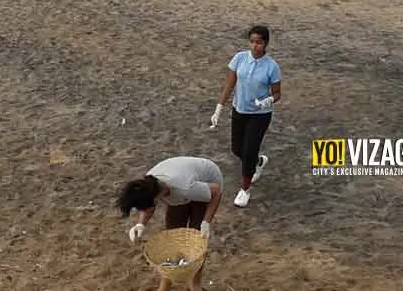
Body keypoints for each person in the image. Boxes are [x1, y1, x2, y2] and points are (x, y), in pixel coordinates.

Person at [117, 156, 223, 291]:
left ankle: (195, 284)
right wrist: (140, 224)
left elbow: (216, 192)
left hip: (207, 181)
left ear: (156, 198)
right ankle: (165, 285)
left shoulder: (184, 188)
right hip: (185, 181)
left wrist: (206, 222)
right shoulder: (148, 185)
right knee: (172, 239)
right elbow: (148, 206)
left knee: (197, 239)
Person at [210, 25, 281, 208]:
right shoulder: (239, 58)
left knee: (249, 151)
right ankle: (258, 161)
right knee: (237, 149)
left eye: (259, 42)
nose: (255, 46)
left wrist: (269, 100)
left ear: (266, 43)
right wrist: (219, 108)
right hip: (239, 110)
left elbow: (277, 93)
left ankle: (245, 189)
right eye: (252, 42)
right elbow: (229, 84)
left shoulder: (272, 67)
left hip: (260, 115)